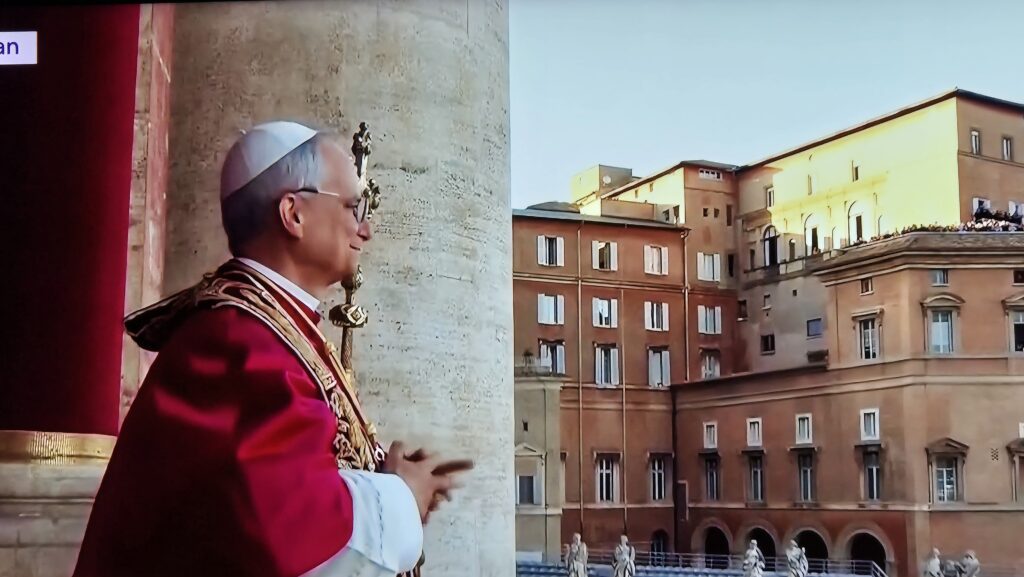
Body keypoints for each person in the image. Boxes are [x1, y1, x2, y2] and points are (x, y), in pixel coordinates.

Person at [72, 121, 473, 577]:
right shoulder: (237, 343)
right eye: (352, 206)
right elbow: (293, 538)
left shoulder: (269, 324)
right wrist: (403, 496)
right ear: (293, 213)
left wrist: (383, 474)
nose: (366, 229)